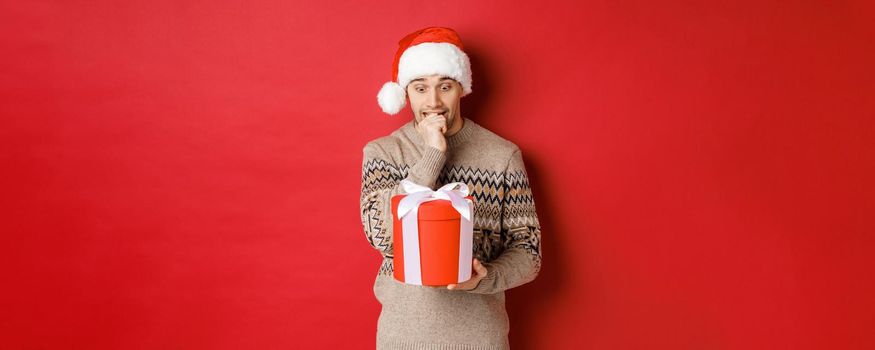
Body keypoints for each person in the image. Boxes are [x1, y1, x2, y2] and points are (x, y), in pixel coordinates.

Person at [360, 26, 542, 350]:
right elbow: (379, 233)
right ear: (405, 93)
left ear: (461, 88)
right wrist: (432, 155)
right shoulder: (383, 153)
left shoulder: (502, 156)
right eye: (420, 88)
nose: (433, 101)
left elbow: (528, 251)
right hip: (402, 339)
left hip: (479, 339)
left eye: (444, 86)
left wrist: (485, 278)